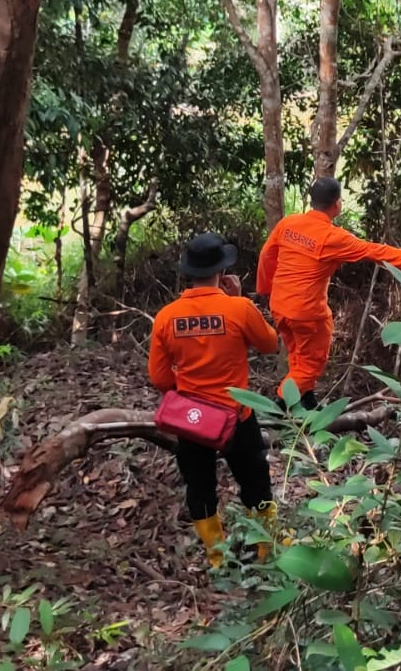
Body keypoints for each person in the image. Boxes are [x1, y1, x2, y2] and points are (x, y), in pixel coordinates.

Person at [148, 232, 280, 569]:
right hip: (237, 416)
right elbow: (270, 345)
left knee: (200, 488)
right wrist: (238, 300)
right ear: (222, 271)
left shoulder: (166, 316)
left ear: (188, 272)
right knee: (255, 482)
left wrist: (188, 393)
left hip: (191, 421)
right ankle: (265, 550)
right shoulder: (238, 308)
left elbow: (160, 378)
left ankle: (218, 557)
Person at [256, 177, 401, 409]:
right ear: (336, 204)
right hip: (307, 312)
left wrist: (265, 288)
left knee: (298, 355)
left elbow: (267, 255)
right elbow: (375, 251)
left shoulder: (288, 224)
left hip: (280, 305)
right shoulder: (333, 238)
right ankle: (280, 404)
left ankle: (307, 400)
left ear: (312, 201)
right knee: (311, 363)